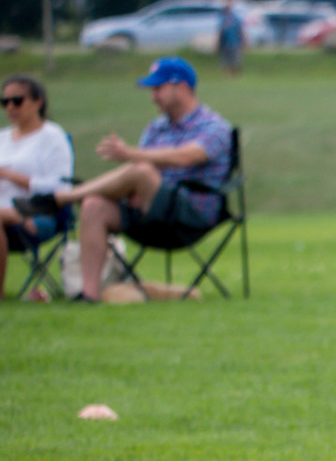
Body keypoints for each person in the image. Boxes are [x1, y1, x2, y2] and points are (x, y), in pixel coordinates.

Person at [13, 57, 231, 303]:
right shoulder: (156, 128)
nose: (153, 96)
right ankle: (89, 294)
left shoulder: (213, 126)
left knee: (141, 170)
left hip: (191, 214)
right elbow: (141, 171)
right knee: (93, 205)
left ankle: (63, 198)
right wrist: (133, 188)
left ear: (181, 87)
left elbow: (188, 157)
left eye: (158, 88)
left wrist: (131, 155)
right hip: (149, 212)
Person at [1, 75, 75, 297]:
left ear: (38, 102)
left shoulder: (52, 137)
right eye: (5, 102)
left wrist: (8, 175)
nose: (10, 107)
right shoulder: (2, 138)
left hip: (38, 212)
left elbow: (61, 187)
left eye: (17, 101)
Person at [218, 0, 245, 75]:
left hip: (234, 42)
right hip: (225, 43)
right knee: (226, 60)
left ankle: (235, 73)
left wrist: (243, 40)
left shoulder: (235, 18)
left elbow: (240, 30)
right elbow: (220, 32)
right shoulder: (223, 18)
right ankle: (228, 74)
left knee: (236, 59)